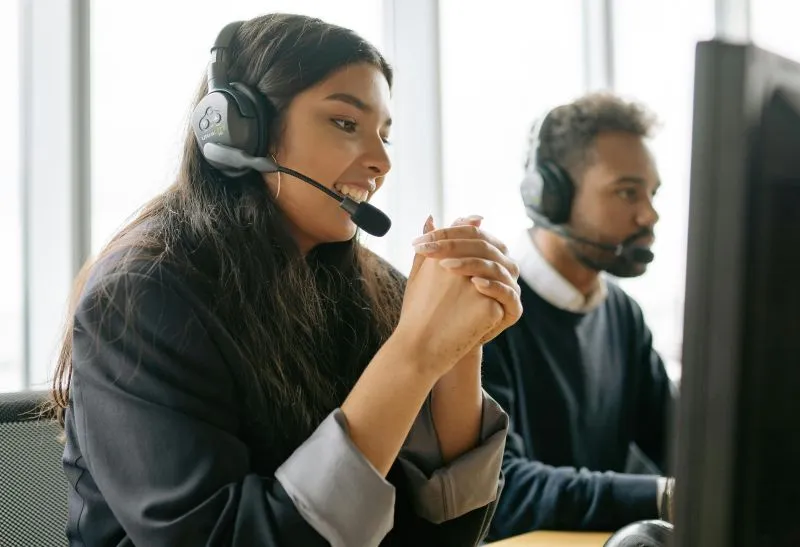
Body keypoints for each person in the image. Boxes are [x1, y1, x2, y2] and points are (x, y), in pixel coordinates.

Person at [49, 14, 522, 547]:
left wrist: (456, 352)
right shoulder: (143, 292)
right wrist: (413, 353)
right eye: (346, 123)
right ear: (238, 129)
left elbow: (443, 536)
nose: (381, 161)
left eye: (385, 134)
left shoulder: (372, 288)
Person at [483, 92, 678, 540]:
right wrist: (663, 496)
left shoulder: (621, 313)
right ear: (550, 197)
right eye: (627, 191)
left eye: (652, 193)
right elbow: (503, 489)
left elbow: (680, 442)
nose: (650, 214)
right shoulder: (488, 308)